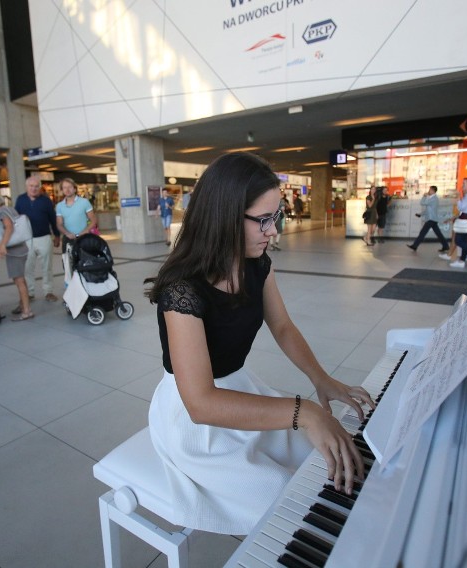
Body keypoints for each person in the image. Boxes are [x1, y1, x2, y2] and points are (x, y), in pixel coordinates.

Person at [144, 152, 375, 535]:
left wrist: (321, 379)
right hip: (191, 417)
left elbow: (282, 326)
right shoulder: (182, 291)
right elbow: (201, 404)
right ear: (225, 216)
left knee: (320, 462)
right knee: (284, 495)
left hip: (238, 390)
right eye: (264, 220)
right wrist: (306, 412)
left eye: (277, 216)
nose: (274, 231)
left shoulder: (256, 263)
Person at [0, 191, 33, 321]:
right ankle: (23, 305)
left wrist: (2, 245)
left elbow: (9, 227)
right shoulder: (9, 208)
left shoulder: (2, 211)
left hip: (15, 251)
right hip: (21, 248)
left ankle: (26, 311)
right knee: (20, 279)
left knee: (19, 280)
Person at [15, 176, 60, 302]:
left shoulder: (46, 200)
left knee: (47, 267)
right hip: (26, 239)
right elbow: (16, 219)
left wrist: (57, 235)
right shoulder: (21, 200)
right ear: (27, 187)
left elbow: (52, 218)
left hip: (44, 237)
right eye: (31, 186)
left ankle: (48, 291)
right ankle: (29, 293)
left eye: (36, 186)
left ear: (39, 187)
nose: (34, 189)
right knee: (28, 267)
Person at [55, 178, 96, 250]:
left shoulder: (84, 202)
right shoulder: (59, 206)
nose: (67, 190)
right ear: (62, 190)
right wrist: (67, 233)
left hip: (84, 238)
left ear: (74, 189)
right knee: (69, 261)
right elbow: (59, 224)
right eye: (64, 187)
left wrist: (85, 231)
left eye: (70, 187)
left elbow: (93, 220)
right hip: (68, 239)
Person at [407, 186, 449, 253]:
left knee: (422, 233)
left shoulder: (434, 199)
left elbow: (422, 203)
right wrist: (420, 214)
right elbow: (428, 210)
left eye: (430, 190)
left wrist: (424, 196)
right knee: (438, 234)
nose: (428, 191)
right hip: (432, 219)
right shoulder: (432, 199)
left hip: (431, 219)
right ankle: (445, 246)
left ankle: (415, 245)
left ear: (433, 191)